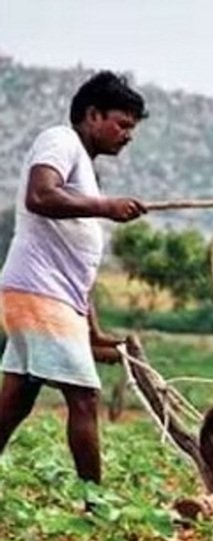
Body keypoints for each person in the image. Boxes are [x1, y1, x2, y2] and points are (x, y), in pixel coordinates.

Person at [0, 70, 148, 482]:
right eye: (121, 124)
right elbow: (40, 195)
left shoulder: (83, 165)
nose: (127, 135)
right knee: (85, 397)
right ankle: (95, 503)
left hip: (47, 293)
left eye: (131, 128)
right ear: (92, 114)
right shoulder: (60, 141)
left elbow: (73, 264)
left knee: (16, 401)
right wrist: (105, 207)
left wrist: (94, 331)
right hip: (38, 292)